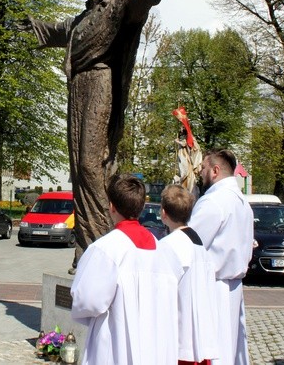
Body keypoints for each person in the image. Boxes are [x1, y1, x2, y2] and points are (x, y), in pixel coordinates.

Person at [22, 0, 174, 271]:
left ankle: (100, 240)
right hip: (77, 88)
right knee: (78, 167)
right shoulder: (81, 20)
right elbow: (53, 30)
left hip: (100, 85)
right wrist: (26, 24)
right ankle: (84, 246)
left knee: (92, 164)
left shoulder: (116, 8)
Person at [70, 173, 182, 364]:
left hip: (116, 344)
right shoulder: (163, 250)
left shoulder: (106, 249)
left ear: (112, 207)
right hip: (155, 344)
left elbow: (88, 300)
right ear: (141, 207)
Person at [188, 149, 253, 365]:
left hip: (214, 286)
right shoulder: (242, 201)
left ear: (215, 170)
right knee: (231, 348)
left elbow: (190, 245)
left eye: (204, 168)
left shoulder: (214, 201)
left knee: (216, 350)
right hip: (232, 285)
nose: (201, 172)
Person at [159, 184, 220, 365]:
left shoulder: (168, 246)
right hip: (200, 332)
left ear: (163, 213)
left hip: (179, 333)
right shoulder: (198, 243)